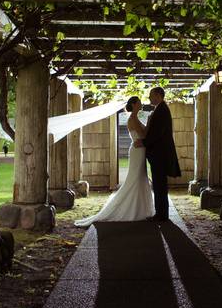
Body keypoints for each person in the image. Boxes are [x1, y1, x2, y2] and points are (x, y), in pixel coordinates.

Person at [73, 96, 154, 226]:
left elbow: (144, 134)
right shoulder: (132, 119)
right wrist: (150, 122)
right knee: (134, 179)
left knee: (140, 178)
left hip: (140, 150)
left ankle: (139, 209)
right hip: (137, 151)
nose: (141, 104)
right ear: (133, 105)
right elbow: (144, 135)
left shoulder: (135, 118)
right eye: (139, 102)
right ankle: (128, 208)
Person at [134, 86, 181, 222]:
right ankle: (161, 214)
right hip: (158, 154)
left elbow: (157, 133)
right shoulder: (160, 109)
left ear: (159, 96)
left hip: (160, 155)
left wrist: (143, 142)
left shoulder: (162, 110)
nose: (149, 98)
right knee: (159, 184)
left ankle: (161, 215)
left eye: (151, 95)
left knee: (160, 185)